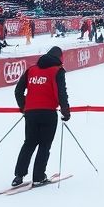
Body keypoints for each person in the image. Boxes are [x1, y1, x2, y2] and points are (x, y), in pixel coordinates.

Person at [12, 46, 71, 188]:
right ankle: (38, 177)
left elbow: (18, 90)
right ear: (59, 58)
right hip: (48, 113)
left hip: (31, 113)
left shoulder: (31, 70)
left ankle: (18, 176)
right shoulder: (57, 71)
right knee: (44, 145)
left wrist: (24, 107)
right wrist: (65, 111)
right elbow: (61, 92)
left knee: (29, 143)